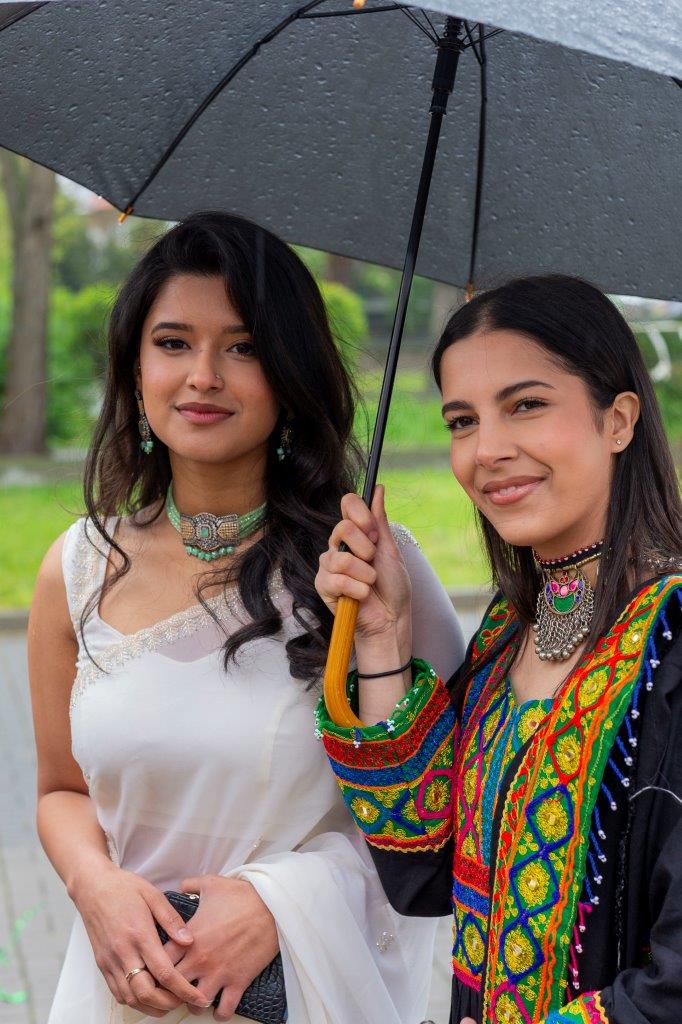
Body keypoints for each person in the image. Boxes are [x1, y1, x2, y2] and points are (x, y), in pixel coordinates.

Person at [28, 211, 466, 1024]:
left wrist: (278, 905)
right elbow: (60, 789)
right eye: (173, 343)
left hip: (300, 996)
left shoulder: (368, 571)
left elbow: (439, 824)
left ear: (291, 374)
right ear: (134, 371)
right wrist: (95, 887)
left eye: (244, 347)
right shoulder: (78, 569)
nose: (203, 376)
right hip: (121, 994)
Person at [315, 275, 682, 1024]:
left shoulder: (670, 647)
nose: (487, 450)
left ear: (618, 420)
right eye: (462, 420)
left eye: (526, 405)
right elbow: (423, 871)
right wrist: (382, 635)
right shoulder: (506, 635)